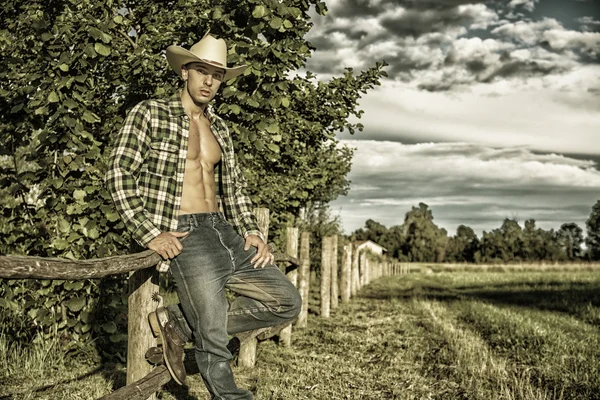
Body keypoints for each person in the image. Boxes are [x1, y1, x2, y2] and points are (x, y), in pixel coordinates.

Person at [106, 33, 302, 399]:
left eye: (217, 75)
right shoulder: (150, 112)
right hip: (183, 232)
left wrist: (251, 231)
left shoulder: (221, 129)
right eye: (202, 71)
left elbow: (234, 189)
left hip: (223, 230)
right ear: (185, 72)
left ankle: (177, 322)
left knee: (286, 301)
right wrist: (149, 232)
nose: (209, 81)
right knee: (212, 336)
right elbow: (119, 172)